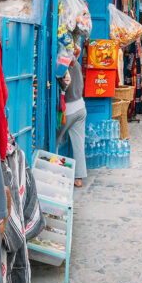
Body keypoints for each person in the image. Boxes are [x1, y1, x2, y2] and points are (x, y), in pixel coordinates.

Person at [57, 36, 88, 187]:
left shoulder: (63, 66)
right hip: (81, 107)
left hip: (69, 109)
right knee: (78, 143)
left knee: (55, 140)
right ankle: (78, 178)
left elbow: (63, 85)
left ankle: (55, 173)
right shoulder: (77, 64)